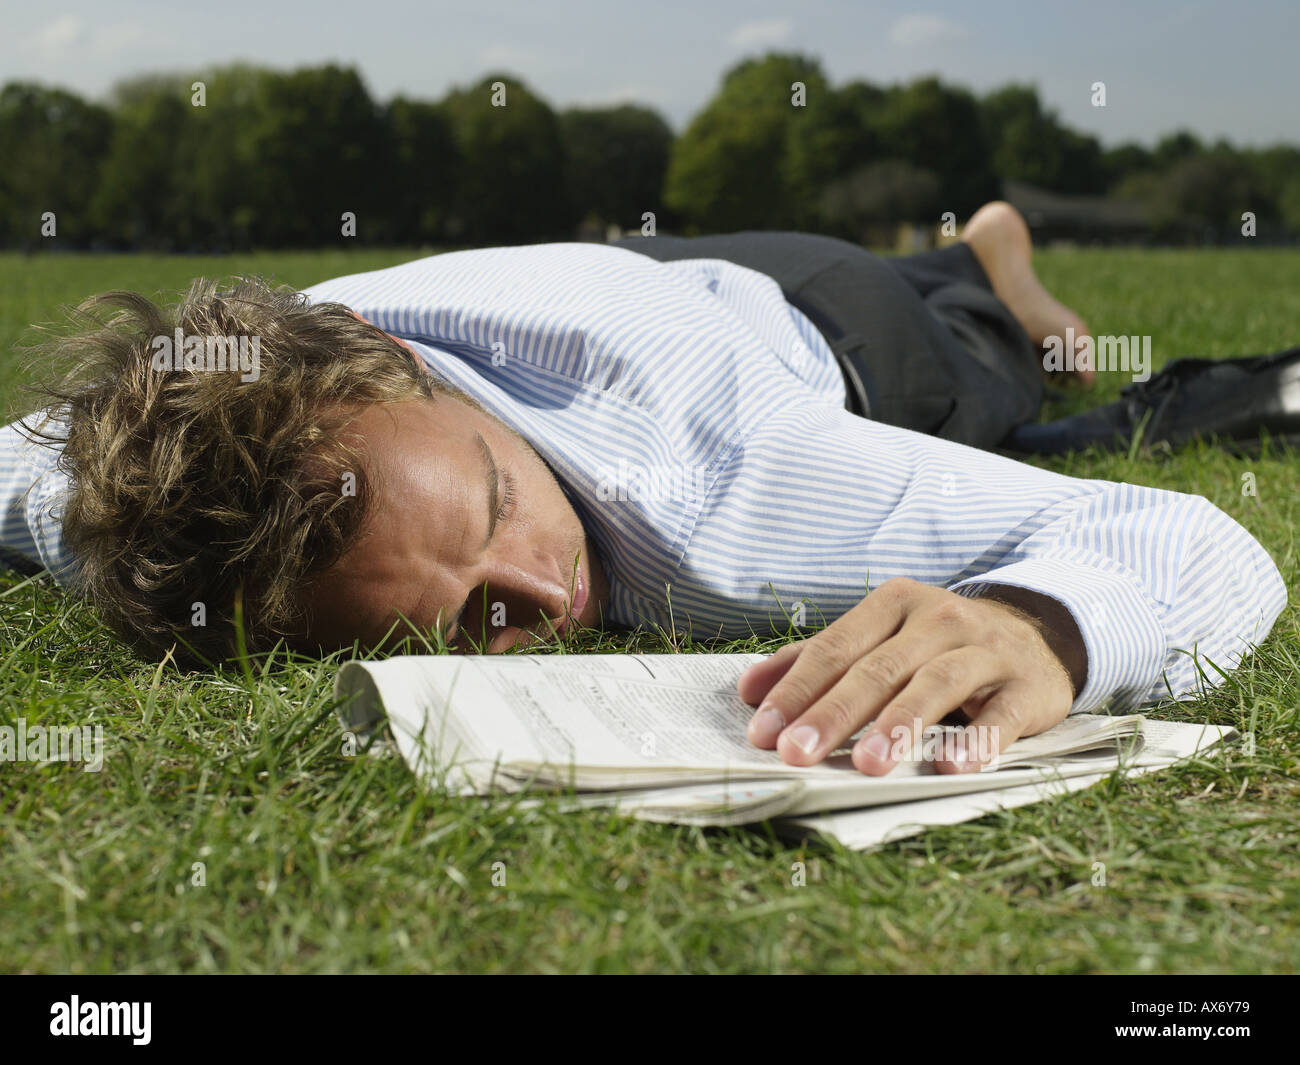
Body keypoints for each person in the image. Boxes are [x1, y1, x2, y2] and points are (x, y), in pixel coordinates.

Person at [0, 203, 1287, 778]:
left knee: (1016, 385)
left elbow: (1190, 541)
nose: (546, 598)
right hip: (634, 275)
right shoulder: (108, 500)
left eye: (502, 510)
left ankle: (1000, 274)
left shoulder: (729, 498)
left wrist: (1036, 622)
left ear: (401, 371)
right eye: (463, 627)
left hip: (840, 327)